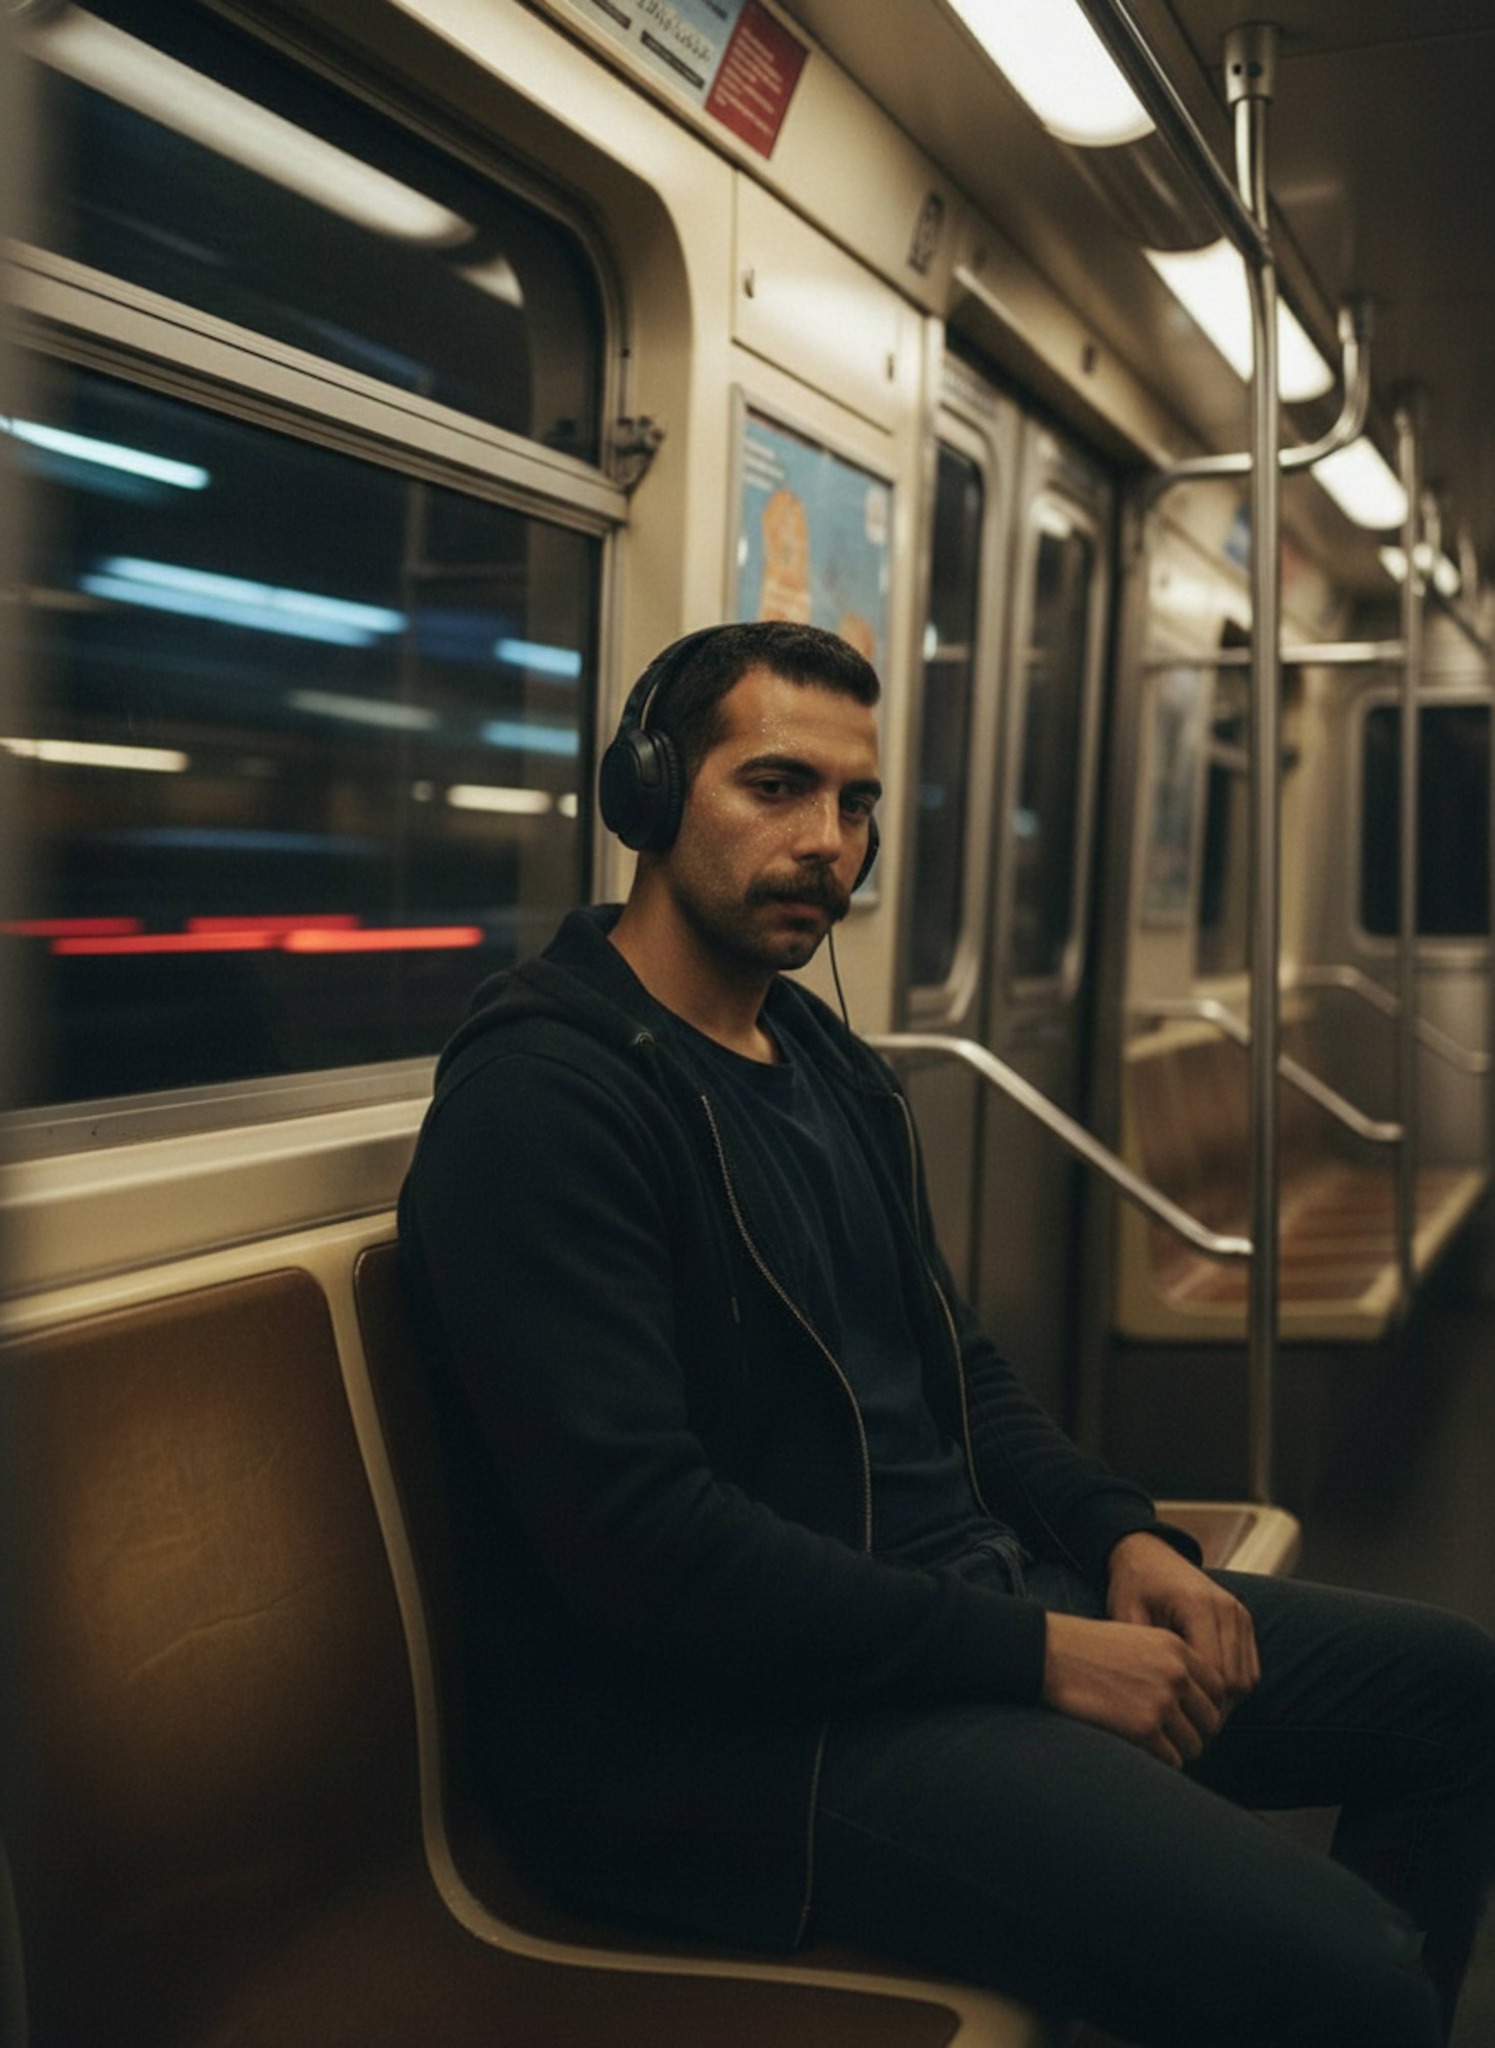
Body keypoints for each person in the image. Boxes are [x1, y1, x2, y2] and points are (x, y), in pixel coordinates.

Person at [399, 621, 1495, 2047]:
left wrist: (1121, 1538)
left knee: (1456, 1695)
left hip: (953, 1615)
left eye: (856, 805)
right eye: (776, 787)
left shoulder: (826, 1066)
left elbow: (956, 1373)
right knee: (1348, 1975)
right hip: (742, 1737)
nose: (829, 845)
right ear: (650, 799)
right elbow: (646, 1547)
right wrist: (1040, 1657)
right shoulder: (548, 1105)